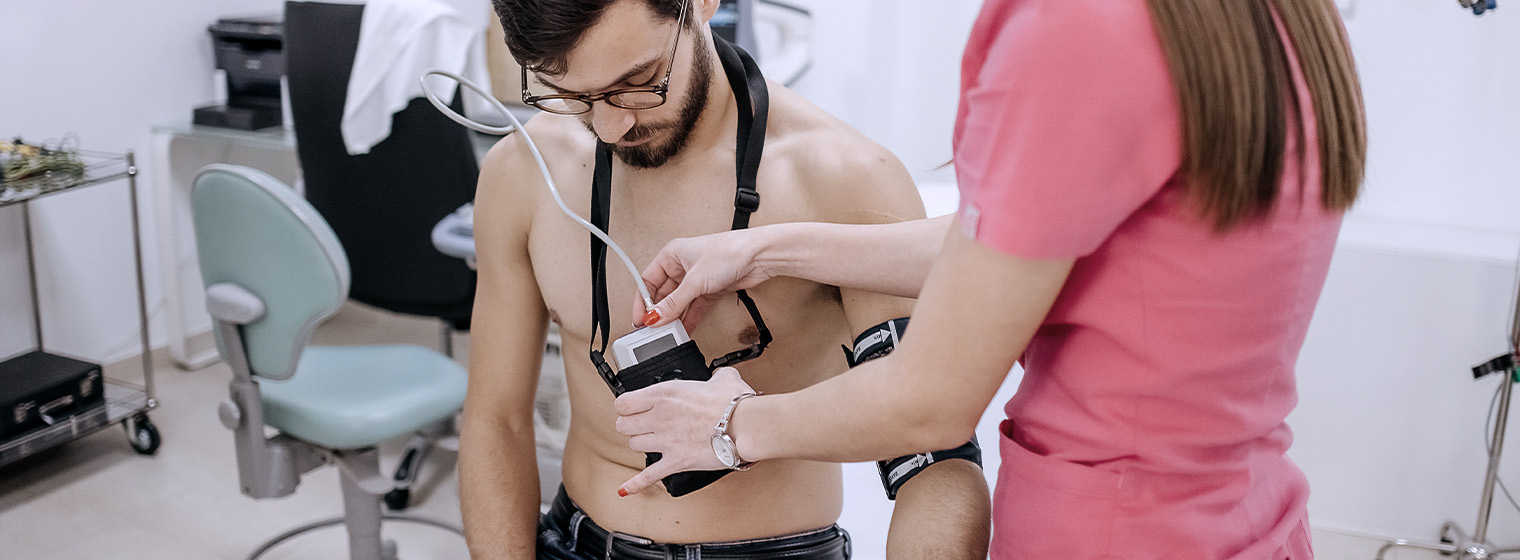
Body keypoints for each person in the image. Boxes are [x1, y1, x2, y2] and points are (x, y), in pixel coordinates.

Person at [611, 0, 1367, 558]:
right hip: (1244, 522)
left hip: (1111, 534)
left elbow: (931, 404)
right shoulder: (1271, 18)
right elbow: (1065, 245)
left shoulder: (1081, 31)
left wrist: (727, 428)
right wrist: (770, 250)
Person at [460, 0, 992, 558]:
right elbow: (497, 421)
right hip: (575, 541)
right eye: (573, 95)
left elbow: (936, 463)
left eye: (638, 81)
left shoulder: (844, 180)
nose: (612, 126)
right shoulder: (523, 171)